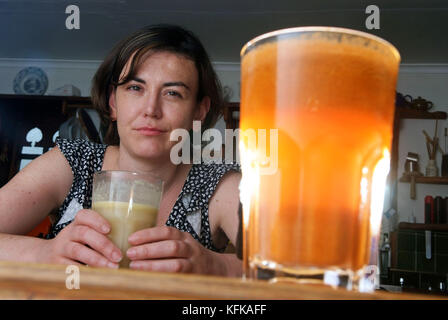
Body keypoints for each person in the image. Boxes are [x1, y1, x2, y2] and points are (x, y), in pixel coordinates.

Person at [0, 24, 242, 277]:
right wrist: (42, 253)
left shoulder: (218, 184)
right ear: (113, 103)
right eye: (135, 88)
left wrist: (218, 265)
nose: (151, 109)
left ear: (199, 111)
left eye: (173, 93)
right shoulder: (72, 163)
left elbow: (285, 268)